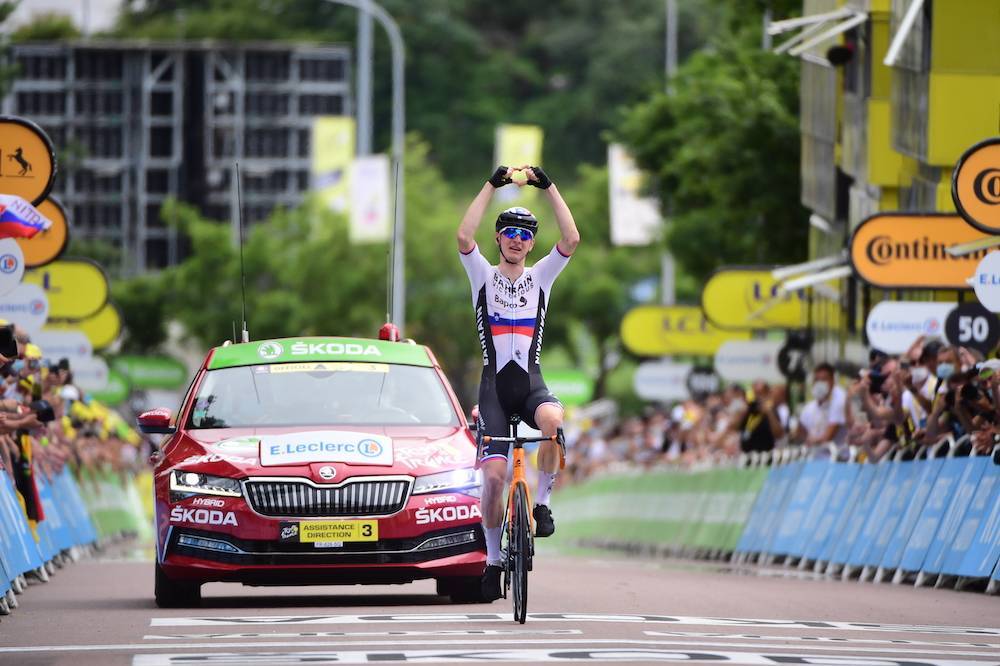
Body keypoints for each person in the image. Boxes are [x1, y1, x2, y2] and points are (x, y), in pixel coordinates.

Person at [456, 164, 580, 600]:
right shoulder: (482, 275)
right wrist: (492, 183)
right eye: (509, 230)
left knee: (553, 418)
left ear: (532, 243)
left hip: (530, 385)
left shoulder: (541, 276)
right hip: (493, 390)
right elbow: (462, 238)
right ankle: (492, 560)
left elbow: (571, 240)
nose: (517, 238)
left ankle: (542, 504)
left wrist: (548, 186)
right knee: (493, 480)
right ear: (498, 237)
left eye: (526, 234)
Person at [796, 362, 848, 457]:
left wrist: (811, 440)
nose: (820, 383)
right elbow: (799, 434)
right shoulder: (808, 407)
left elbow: (827, 438)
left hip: (838, 460)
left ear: (832, 381)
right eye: (817, 380)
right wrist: (805, 439)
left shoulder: (840, 400)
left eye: (824, 380)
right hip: (814, 459)